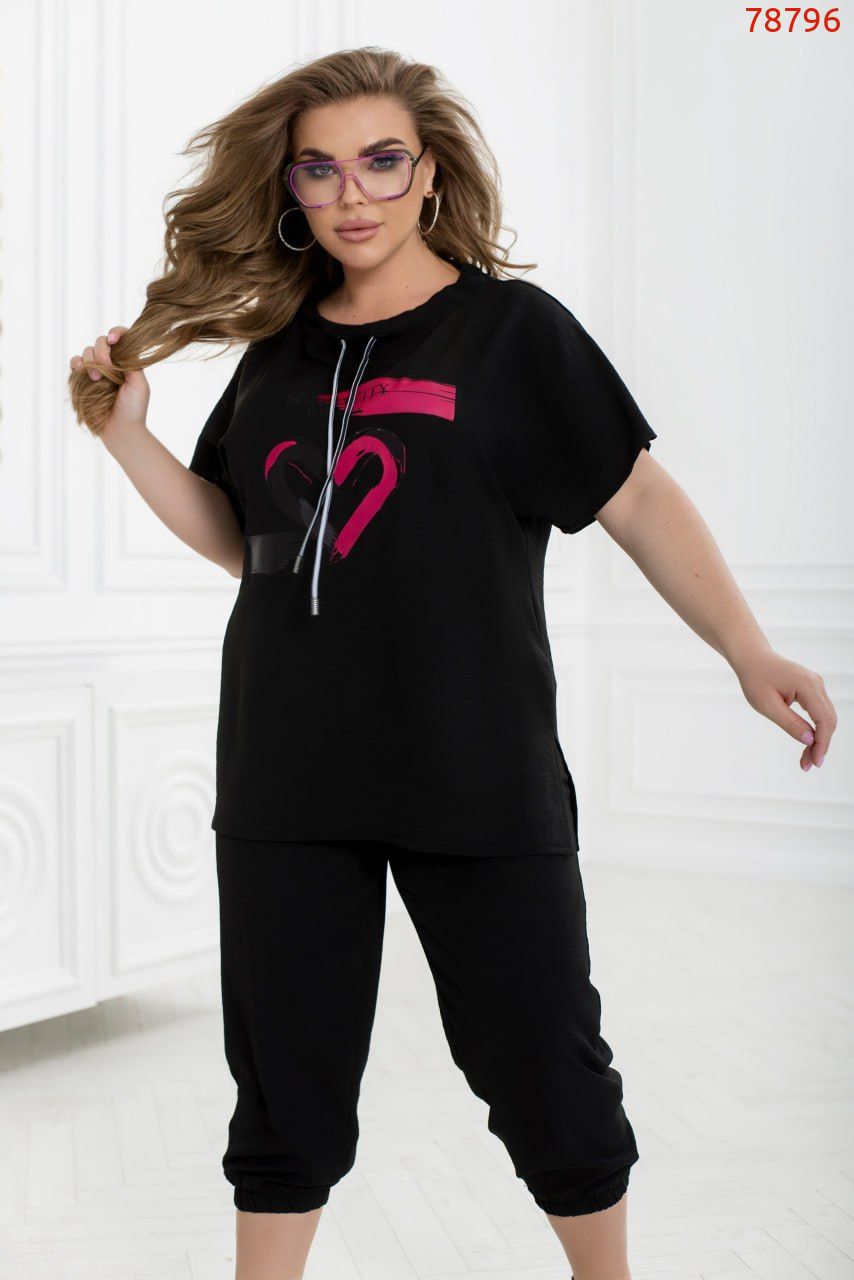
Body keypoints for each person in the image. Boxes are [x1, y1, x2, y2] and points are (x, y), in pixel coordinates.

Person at [67, 46, 837, 1280]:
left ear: (428, 172)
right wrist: (125, 438)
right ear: (289, 188)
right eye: (319, 169)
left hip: (472, 761)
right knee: (283, 1079)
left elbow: (635, 495)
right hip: (285, 769)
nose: (352, 193)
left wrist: (746, 648)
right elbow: (253, 541)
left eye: (381, 161)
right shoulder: (277, 350)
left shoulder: (513, 333)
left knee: (542, 1060)